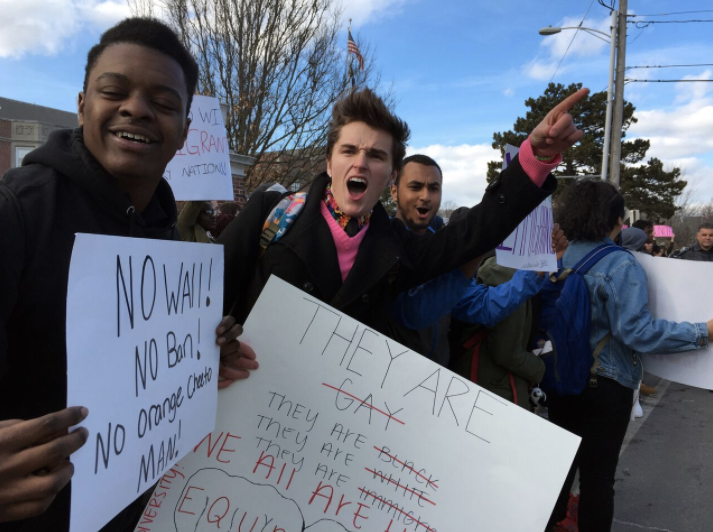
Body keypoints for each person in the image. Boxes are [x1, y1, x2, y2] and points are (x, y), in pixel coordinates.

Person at [0, 18, 256, 531]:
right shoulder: (16, 213)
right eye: (114, 91)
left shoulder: (171, 242)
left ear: (184, 132)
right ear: (81, 105)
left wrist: (202, 358)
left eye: (163, 102)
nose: (136, 108)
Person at [219, 87, 589, 334]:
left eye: (376, 155)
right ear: (329, 164)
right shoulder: (274, 214)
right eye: (349, 151)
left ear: (391, 175)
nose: (360, 163)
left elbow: (473, 233)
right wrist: (218, 346)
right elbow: (204, 303)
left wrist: (534, 159)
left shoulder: (396, 245)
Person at [544, 179, 713, 532]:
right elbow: (637, 331)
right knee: (597, 480)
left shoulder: (559, 253)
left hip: (561, 377)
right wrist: (703, 332)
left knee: (557, 473)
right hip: (606, 385)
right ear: (614, 220)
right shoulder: (621, 265)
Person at [386, 156, 563, 367]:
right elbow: (414, 313)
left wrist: (536, 272)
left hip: (434, 383)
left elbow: (482, 307)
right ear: (394, 192)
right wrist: (478, 244)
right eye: (415, 187)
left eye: (434, 188)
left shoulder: (447, 247)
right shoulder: (380, 246)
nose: (425, 196)